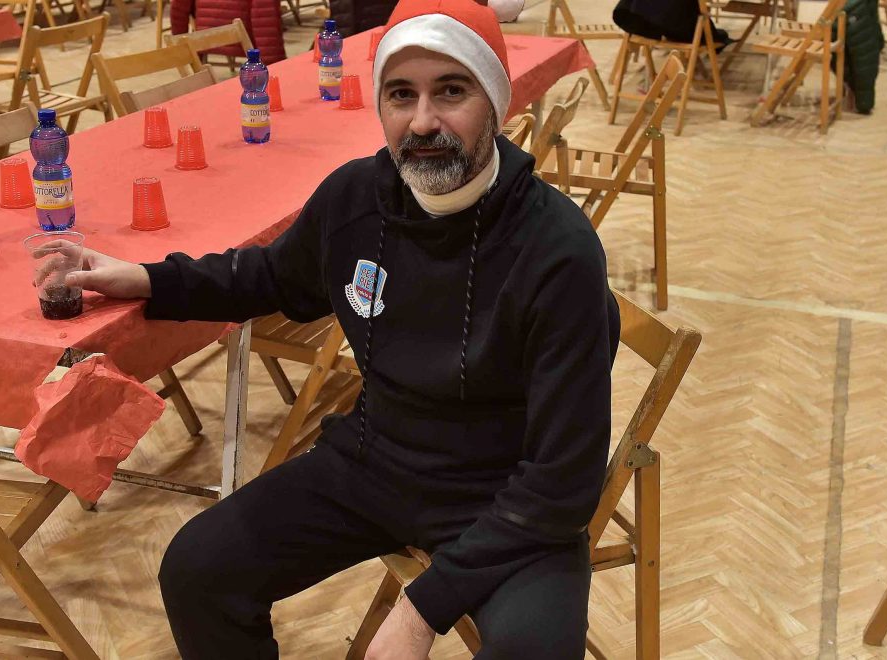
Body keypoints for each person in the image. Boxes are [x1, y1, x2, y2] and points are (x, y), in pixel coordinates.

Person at [49, 0, 620, 655]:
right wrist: (149, 279)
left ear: (495, 101)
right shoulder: (356, 198)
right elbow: (269, 277)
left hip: (507, 496)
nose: (423, 121)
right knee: (198, 570)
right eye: (401, 94)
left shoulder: (557, 249)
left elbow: (562, 481)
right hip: (375, 462)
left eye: (451, 91)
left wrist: (420, 611)